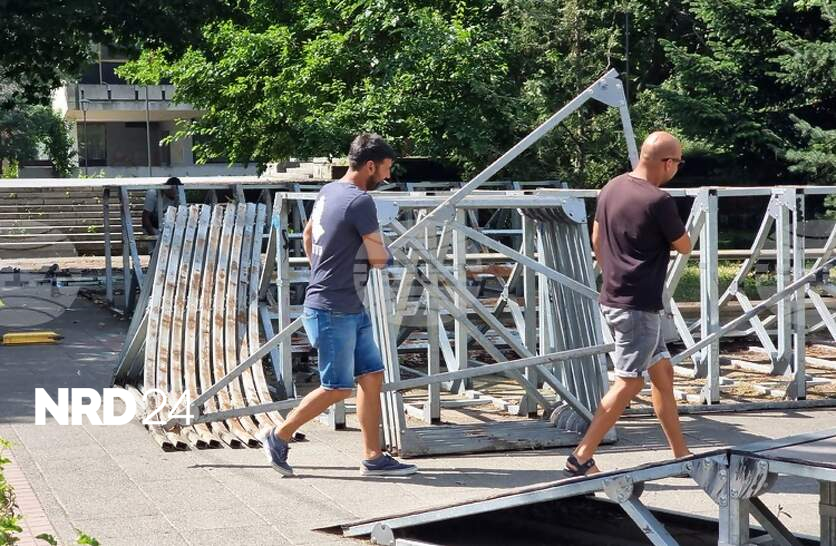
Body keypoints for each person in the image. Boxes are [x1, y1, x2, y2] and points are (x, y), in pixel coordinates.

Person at [259, 133, 418, 477]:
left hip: (346, 306)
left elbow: (307, 234)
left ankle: (373, 457)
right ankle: (278, 435)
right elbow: (378, 259)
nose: (388, 176)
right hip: (333, 310)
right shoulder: (361, 201)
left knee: (372, 376)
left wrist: (324, 269)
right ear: (371, 166)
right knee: (337, 387)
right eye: (386, 168)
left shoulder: (329, 191)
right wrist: (388, 255)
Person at [564, 131, 693, 477]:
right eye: (679, 162)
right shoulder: (659, 201)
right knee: (630, 381)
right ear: (667, 163)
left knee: (662, 373)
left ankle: (681, 454)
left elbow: (596, 237)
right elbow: (684, 246)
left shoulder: (612, 187)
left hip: (615, 295)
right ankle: (581, 457)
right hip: (638, 306)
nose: (677, 168)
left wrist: (615, 270)